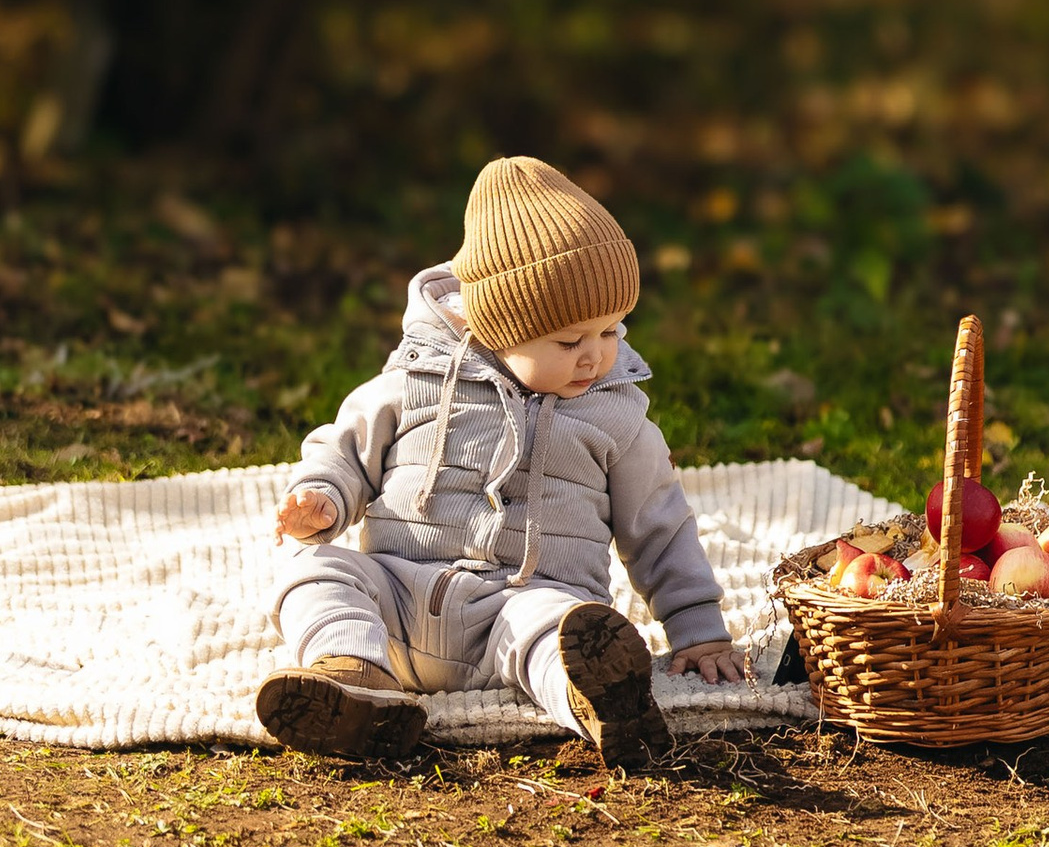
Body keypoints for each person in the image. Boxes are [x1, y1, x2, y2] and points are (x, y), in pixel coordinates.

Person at [257, 153, 749, 768]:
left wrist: (699, 629)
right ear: (495, 325)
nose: (596, 357)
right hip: (398, 602)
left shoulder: (618, 419)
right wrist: (322, 499)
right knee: (314, 570)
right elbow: (343, 451)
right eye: (569, 341)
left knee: (564, 630)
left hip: (521, 608)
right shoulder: (412, 384)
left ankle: (602, 704)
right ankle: (353, 678)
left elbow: (661, 526)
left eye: (612, 332)